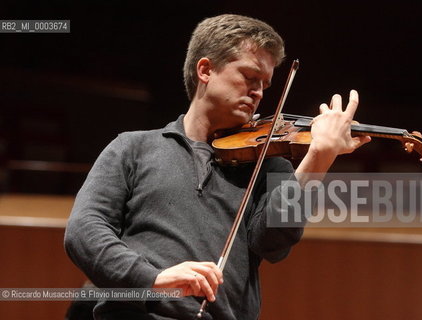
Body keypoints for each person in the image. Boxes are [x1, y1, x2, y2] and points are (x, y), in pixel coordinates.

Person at [64, 14, 370, 320]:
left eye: (264, 84)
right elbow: (84, 231)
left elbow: (273, 244)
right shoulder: (133, 148)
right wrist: (151, 279)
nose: (259, 93)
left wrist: (318, 157)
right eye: (249, 77)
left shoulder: (267, 163)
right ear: (206, 70)